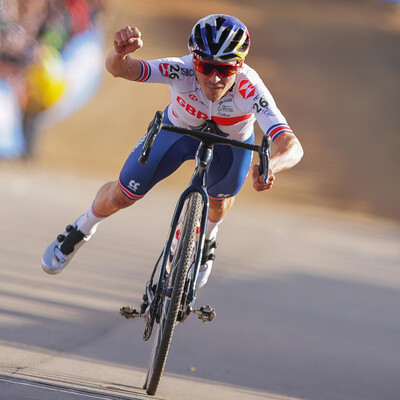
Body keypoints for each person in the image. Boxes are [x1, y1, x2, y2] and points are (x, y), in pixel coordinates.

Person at [42, 14, 304, 288]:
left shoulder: (251, 89)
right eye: (206, 66)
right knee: (123, 195)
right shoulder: (181, 69)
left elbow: (291, 145)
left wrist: (271, 165)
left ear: (240, 66)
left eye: (225, 70)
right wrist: (119, 54)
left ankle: (208, 239)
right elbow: (121, 70)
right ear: (194, 60)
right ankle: (82, 227)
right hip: (177, 133)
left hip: (231, 146)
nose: (214, 78)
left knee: (218, 200)